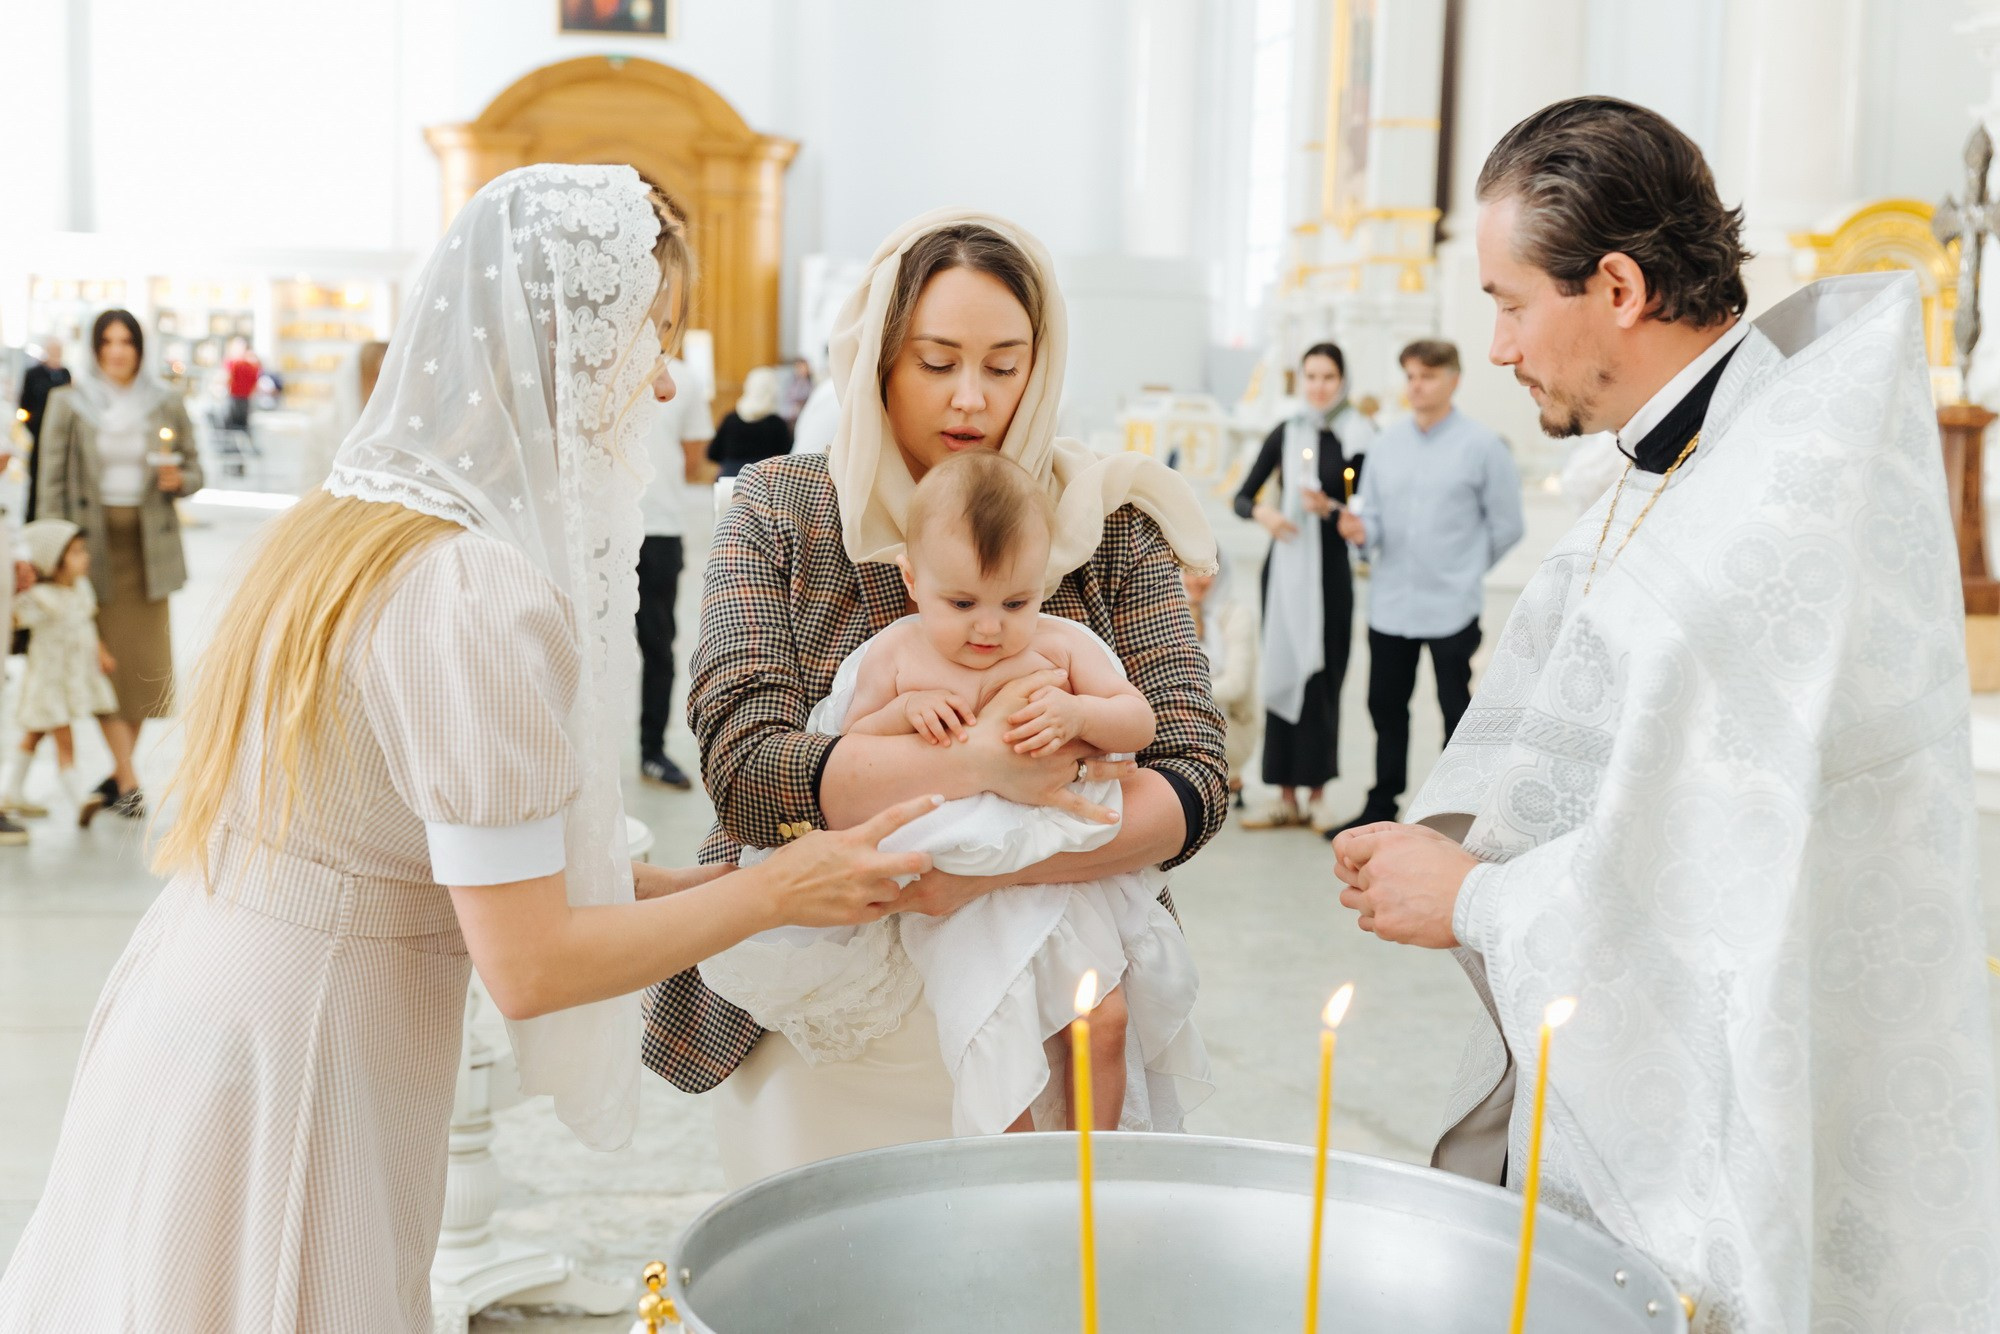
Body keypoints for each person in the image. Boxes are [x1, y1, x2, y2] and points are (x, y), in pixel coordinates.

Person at [0, 165, 942, 1334]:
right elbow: (532, 960)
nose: (659, 378)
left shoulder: (353, 524)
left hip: (208, 1009)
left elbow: (474, 858)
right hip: (309, 1058)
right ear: (563, 344)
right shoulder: (474, 593)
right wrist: (780, 889)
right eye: (651, 337)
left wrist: (728, 882)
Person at [1331, 97, 2000, 1328]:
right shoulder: (1696, 455)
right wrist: (1453, 835)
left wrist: (1471, 897)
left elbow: (1724, 871)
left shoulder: (1769, 499)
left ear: (1621, 287)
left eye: (1509, 301)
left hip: (1735, 1106)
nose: (1493, 345)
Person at [643, 209, 1224, 1188]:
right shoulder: (784, 510)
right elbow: (748, 773)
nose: (971, 398)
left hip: (1053, 989)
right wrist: (977, 765)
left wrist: (987, 874)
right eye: (935, 360)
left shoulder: (1111, 523)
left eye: (1003, 365)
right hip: (827, 1017)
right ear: (877, 358)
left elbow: (1192, 776)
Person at [699, 451, 1208, 1140]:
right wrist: (905, 716)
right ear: (913, 579)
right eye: (962, 603)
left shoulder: (1061, 647)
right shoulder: (897, 656)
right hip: (954, 875)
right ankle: (1012, 1166)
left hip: (1060, 873)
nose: (989, 629)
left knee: (1105, 1019)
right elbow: (849, 745)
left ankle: (1098, 1158)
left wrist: (1082, 716)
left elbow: (1141, 722)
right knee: (997, 1030)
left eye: (1016, 602)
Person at [1327, 340, 1522, 836]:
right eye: (1410, 375)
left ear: (1454, 380)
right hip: (1390, 603)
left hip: (1451, 604)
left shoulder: (1482, 446)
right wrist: (1360, 533)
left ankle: (1449, 813)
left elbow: (1507, 525)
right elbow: (1369, 516)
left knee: (1455, 711)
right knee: (1386, 707)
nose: (1417, 385)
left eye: (1428, 376)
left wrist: (1465, 568)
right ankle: (1382, 800)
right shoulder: (1387, 444)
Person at [35, 309, 203, 817]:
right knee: (103, 669)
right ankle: (129, 780)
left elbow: (195, 468)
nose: (116, 350)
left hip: (150, 550)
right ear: (94, 347)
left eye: (125, 340)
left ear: (139, 347)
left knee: (144, 671)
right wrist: (52, 553)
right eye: (107, 341)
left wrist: (182, 481)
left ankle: (117, 777)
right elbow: (50, 482)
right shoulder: (68, 402)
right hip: (90, 552)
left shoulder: (166, 402)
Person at [1231, 343, 1374, 831]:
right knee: (1284, 670)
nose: (1319, 386)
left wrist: (1331, 510)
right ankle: (1284, 794)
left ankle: (1317, 795)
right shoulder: (1286, 433)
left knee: (1325, 675)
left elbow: (1368, 505)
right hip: (1287, 570)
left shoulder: (1357, 433)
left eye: (1328, 377)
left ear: (1343, 380)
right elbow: (1242, 497)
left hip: (1333, 572)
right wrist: (1267, 514)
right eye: (1311, 376)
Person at [1, 519, 118, 826]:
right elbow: (12, 616)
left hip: (70, 680)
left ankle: (12, 791)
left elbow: (88, 624)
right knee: (64, 738)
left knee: (33, 735)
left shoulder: (81, 590)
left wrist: (101, 652)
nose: (86, 557)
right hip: (48, 683)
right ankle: (79, 798)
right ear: (52, 561)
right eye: (76, 552)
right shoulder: (41, 598)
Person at [636, 354, 713, 789]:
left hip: (660, 527)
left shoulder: (684, 379)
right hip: (596, 526)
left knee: (659, 648)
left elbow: (693, 457)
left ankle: (652, 751)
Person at [1182, 552, 1258, 806]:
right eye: (1190, 570)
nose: (1197, 580)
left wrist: (1182, 695)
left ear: (1222, 572)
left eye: (1208, 571)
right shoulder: (1172, 610)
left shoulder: (1237, 616)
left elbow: (1236, 685)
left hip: (1227, 724)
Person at [298, 340, 388, 494]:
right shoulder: (323, 428)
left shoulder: (398, 428)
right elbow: (310, 488)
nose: (385, 385)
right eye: (378, 376)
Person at [16, 337, 70, 522]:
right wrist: (31, 424)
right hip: (38, 432)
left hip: (60, 435)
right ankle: (33, 517)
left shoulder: (64, 373)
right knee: (37, 475)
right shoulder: (33, 374)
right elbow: (24, 403)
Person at [706, 366, 791, 477]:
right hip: (762, 483)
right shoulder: (777, 424)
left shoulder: (730, 419)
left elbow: (712, 453)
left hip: (729, 481)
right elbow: (786, 458)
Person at [222, 335, 260, 433]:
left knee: (232, 426)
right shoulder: (253, 366)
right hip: (243, 399)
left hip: (236, 398)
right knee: (242, 426)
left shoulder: (236, 364)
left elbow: (227, 379)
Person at [780, 355, 815, 427]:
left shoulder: (811, 383)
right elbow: (787, 398)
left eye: (803, 367)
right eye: (798, 367)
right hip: (791, 413)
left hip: (805, 412)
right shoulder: (790, 382)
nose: (801, 370)